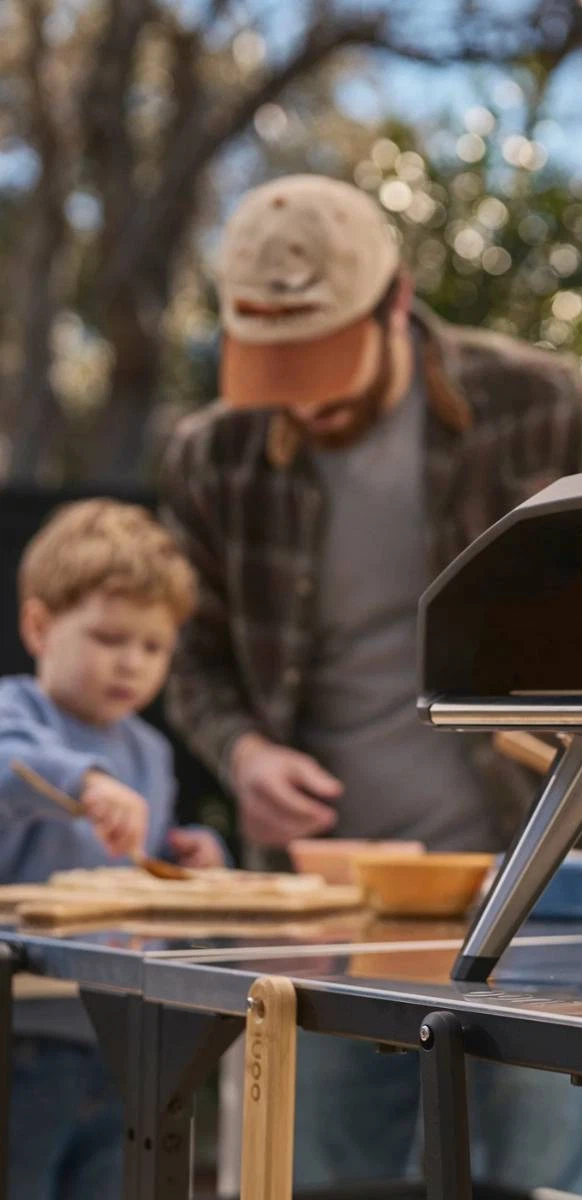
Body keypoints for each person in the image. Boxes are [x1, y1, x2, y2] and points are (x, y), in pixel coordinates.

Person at [160, 173, 582, 1195]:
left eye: (324, 360)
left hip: (538, 887)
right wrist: (243, 752)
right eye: (276, 368)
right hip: (319, 910)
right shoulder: (212, 454)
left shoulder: (540, 410)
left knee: (542, 1178)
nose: (306, 399)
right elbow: (187, 653)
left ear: (398, 301)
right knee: (320, 1177)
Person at [0, 499, 227, 1200]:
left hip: (128, 1037)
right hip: (26, 1035)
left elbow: (141, 856)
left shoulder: (149, 750)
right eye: (108, 637)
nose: (131, 663)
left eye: (153, 647)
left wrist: (193, 855)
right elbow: (10, 764)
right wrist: (85, 782)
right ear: (39, 625)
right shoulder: (17, 712)